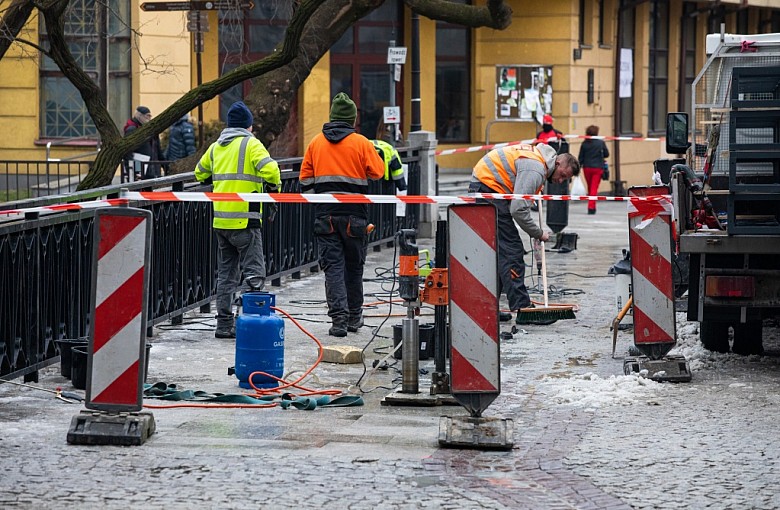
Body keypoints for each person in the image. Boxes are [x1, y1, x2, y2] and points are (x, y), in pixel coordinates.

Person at [300, 92, 385, 338]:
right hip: (355, 215)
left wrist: (319, 197)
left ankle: (338, 321)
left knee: (333, 268)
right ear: (353, 119)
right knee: (354, 267)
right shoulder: (361, 143)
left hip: (325, 215)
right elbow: (378, 172)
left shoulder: (316, 142)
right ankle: (354, 317)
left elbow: (305, 180)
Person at [194, 101, 281, 339]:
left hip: (222, 221)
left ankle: (224, 324)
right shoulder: (251, 144)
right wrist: (274, 187)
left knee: (226, 276)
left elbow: (199, 172)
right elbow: (271, 171)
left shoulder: (216, 147)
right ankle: (250, 324)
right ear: (249, 126)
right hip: (246, 220)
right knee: (254, 274)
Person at [468, 143, 580, 325]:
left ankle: (487, 308)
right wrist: (537, 233)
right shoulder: (535, 168)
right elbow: (518, 209)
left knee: (499, 255)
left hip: (486, 190)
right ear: (557, 163)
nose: (560, 181)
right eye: (562, 176)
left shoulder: (537, 162)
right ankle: (523, 309)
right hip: (489, 193)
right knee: (512, 252)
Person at [123, 106, 163, 179]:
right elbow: (127, 152)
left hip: (153, 167)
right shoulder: (132, 129)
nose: (149, 118)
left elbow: (158, 150)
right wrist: (132, 171)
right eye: (147, 116)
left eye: (150, 116)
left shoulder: (152, 129)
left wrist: (165, 165)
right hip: (140, 167)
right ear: (139, 116)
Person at [578, 125, 610, 215]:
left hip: (587, 168)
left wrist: (578, 168)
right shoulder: (600, 143)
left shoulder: (584, 144)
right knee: (594, 188)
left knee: (590, 187)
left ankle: (592, 205)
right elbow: (607, 154)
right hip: (597, 168)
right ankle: (591, 207)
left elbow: (581, 157)